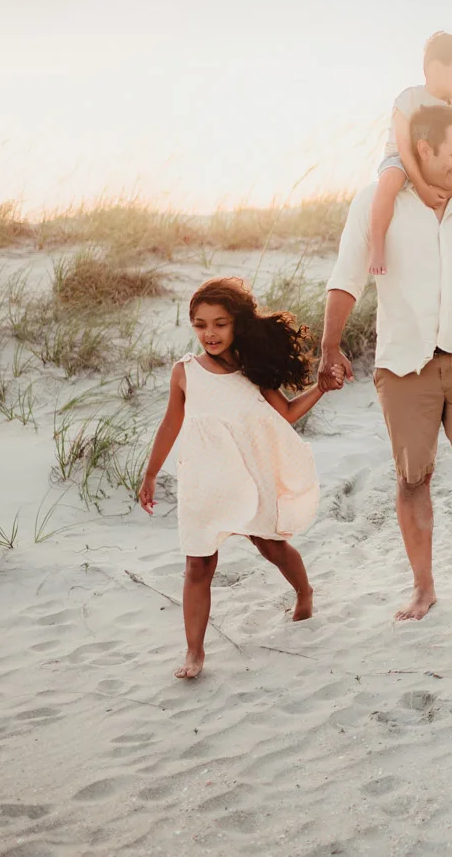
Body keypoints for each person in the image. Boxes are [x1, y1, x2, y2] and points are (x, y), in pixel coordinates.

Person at [319, 103, 452, 621]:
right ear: (424, 149)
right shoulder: (377, 201)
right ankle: (423, 587)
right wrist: (329, 345)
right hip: (404, 361)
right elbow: (348, 275)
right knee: (413, 479)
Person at [138, 276, 339, 679]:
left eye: (219, 323)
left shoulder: (253, 370)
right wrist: (150, 473)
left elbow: (284, 414)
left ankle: (304, 593)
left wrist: (321, 389)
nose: (209, 333)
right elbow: (170, 425)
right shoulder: (185, 371)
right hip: (203, 481)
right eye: (200, 324)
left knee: (272, 546)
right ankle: (194, 653)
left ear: (237, 324)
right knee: (198, 565)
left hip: (249, 474)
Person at [366, 31, 452, 289]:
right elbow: (405, 147)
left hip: (442, 163)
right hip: (401, 156)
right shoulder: (409, 98)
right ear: (435, 68)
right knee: (388, 184)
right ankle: (377, 247)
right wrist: (421, 187)